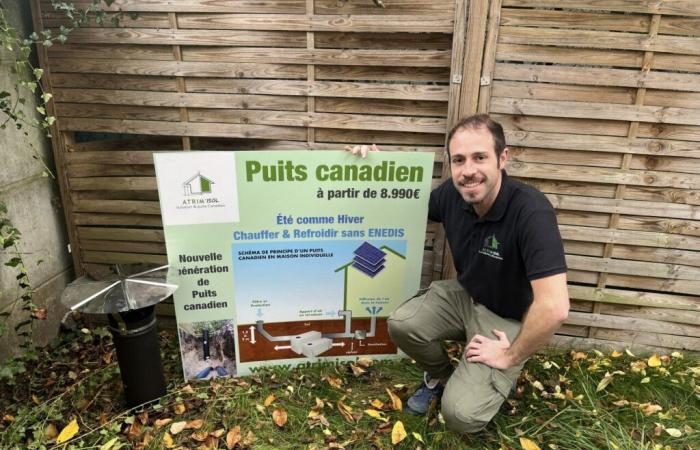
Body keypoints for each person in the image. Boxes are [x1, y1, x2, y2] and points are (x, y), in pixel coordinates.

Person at [350, 114, 569, 433]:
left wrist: (509, 355)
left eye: (480, 157)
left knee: (461, 416)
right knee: (402, 324)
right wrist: (376, 166)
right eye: (459, 160)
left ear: (502, 158)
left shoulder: (531, 211)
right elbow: (409, 202)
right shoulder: (452, 195)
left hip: (504, 319)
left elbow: (555, 307)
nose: (468, 171)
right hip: (466, 295)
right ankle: (442, 375)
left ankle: (499, 374)